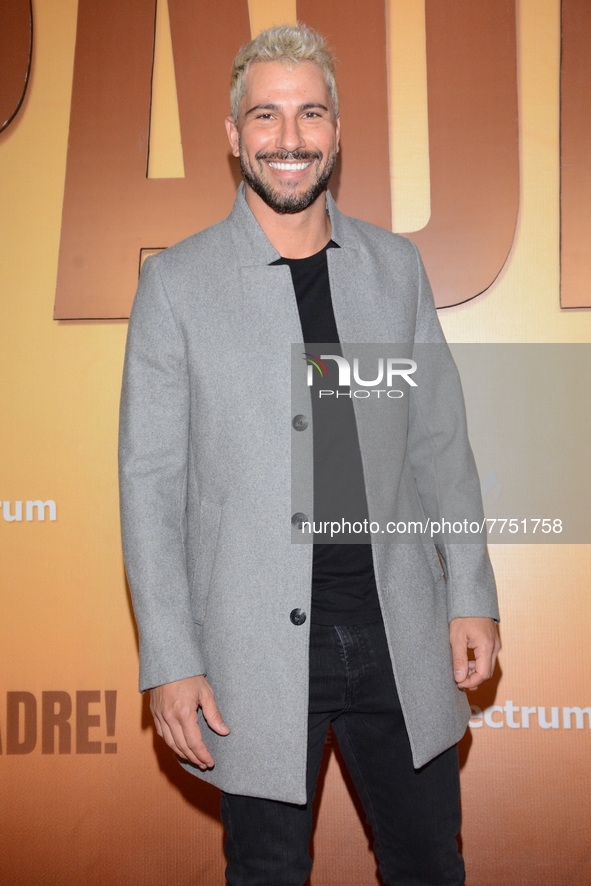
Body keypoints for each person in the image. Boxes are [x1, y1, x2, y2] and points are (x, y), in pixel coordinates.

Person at [119, 24, 500, 885]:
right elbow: (150, 485)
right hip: (251, 643)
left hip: (397, 629)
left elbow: (439, 444)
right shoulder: (175, 286)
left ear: (336, 131)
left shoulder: (394, 269)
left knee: (428, 865)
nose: (288, 138)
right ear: (232, 135)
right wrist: (171, 657)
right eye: (266, 115)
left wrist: (469, 592)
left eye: (309, 114)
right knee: (266, 872)